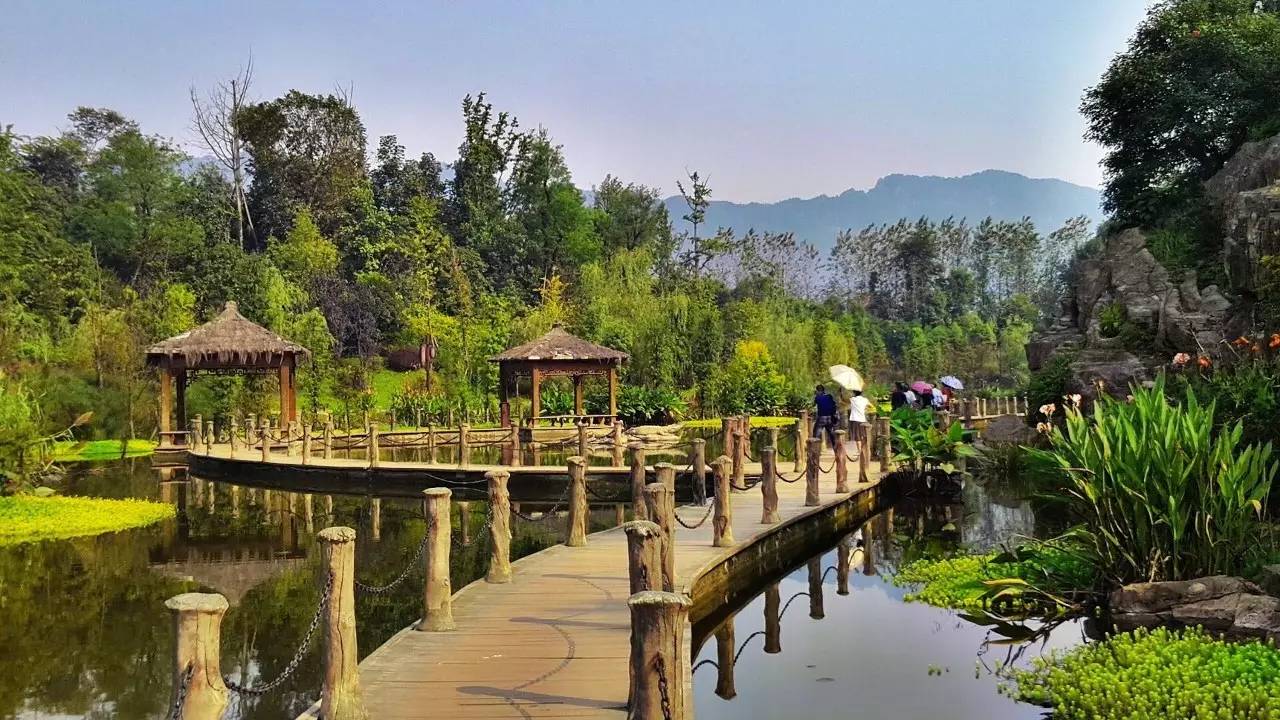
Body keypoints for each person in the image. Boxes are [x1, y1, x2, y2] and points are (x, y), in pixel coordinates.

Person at [847, 388, 872, 482]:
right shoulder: (865, 400)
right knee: (863, 436)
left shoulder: (852, 399)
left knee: (857, 437)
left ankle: (859, 451)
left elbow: (844, 400)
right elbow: (870, 406)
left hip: (855, 419)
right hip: (863, 419)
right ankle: (863, 450)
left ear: (854, 393)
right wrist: (865, 409)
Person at [813, 384, 839, 450]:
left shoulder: (817, 397)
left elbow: (814, 403)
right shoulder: (829, 396)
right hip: (830, 418)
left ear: (818, 391)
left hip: (821, 419)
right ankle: (836, 451)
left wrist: (816, 395)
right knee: (832, 435)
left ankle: (815, 452)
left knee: (816, 435)